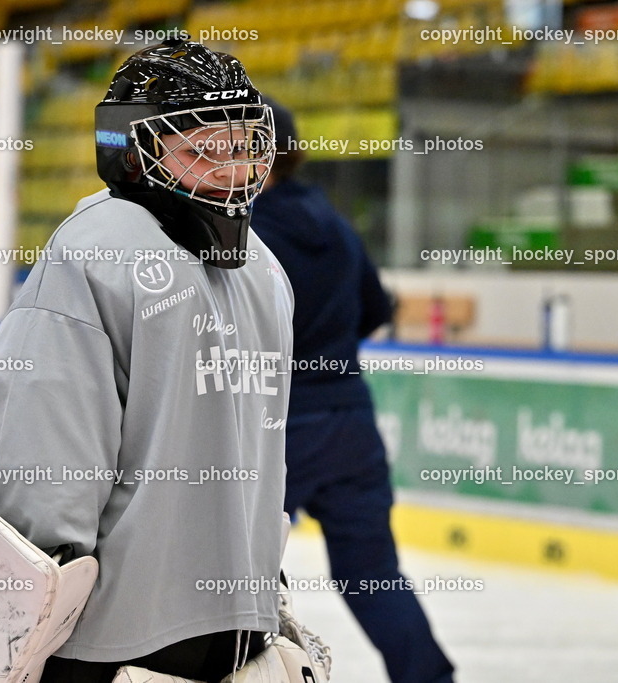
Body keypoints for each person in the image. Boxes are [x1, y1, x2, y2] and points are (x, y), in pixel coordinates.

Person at [0, 39, 294, 683]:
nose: (230, 170)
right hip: (233, 630)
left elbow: (41, 470)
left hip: (109, 638)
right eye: (204, 146)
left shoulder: (93, 253)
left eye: (244, 146)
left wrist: (17, 594)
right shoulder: (265, 267)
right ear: (132, 148)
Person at [250, 100, 455, 683]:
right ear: (298, 155)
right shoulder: (337, 228)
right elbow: (377, 308)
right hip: (347, 417)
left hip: (274, 426)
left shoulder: (242, 234)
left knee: (237, 576)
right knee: (372, 576)